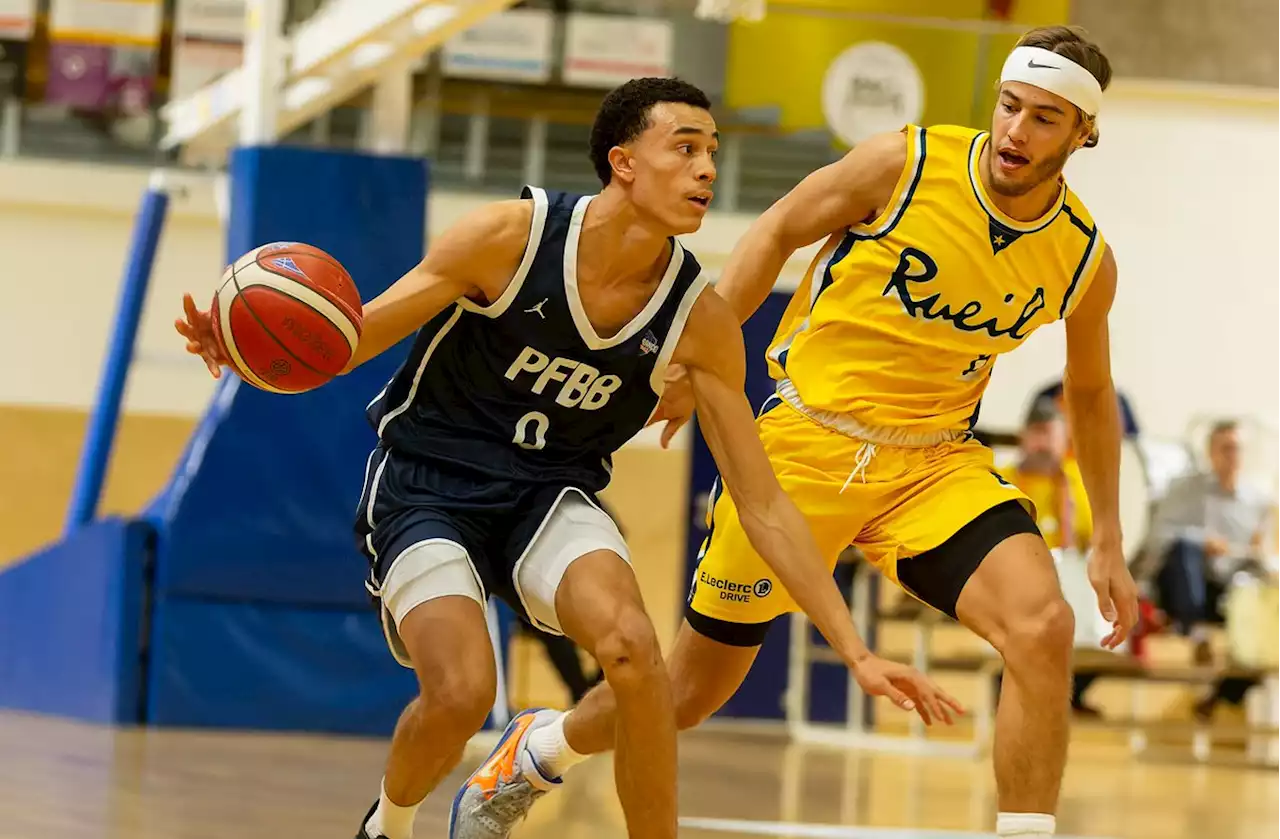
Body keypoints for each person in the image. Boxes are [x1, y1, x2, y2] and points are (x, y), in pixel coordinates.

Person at [174, 78, 956, 839]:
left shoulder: (701, 323)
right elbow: (351, 342)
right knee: (461, 691)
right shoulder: (508, 237)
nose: (707, 169)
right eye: (684, 149)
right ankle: (392, 822)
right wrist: (249, 348)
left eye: (712, 151)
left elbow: (762, 502)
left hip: (549, 494)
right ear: (623, 162)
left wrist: (854, 648)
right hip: (428, 485)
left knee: (636, 651)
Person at [457, 27, 1140, 839]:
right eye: (1010, 105)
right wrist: (689, 361)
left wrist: (1108, 537)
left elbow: (1091, 394)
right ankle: (538, 750)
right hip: (805, 445)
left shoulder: (1082, 258)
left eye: (1045, 119)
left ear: (1083, 134)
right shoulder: (904, 163)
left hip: (932, 465)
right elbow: (777, 228)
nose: (1017, 132)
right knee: (683, 696)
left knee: (1044, 624)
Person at [1151, 419, 1269, 718]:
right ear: (1211, 453)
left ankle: (1222, 694)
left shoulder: (1259, 502)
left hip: (1231, 589)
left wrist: (1260, 549)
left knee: (1265, 612)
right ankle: (1194, 631)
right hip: (1187, 584)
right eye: (1225, 448)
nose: (1232, 456)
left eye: (1237, 449)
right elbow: (1160, 535)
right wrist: (1204, 542)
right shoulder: (1184, 490)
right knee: (1185, 549)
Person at [996, 395, 1101, 716]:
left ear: (1064, 437)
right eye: (1036, 433)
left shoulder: (1080, 479)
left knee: (1108, 612)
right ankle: (1014, 693)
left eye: (1050, 433)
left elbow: (1096, 536)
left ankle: (1071, 692)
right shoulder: (1000, 479)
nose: (1042, 442)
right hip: (1014, 576)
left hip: (1070, 573)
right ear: (1023, 437)